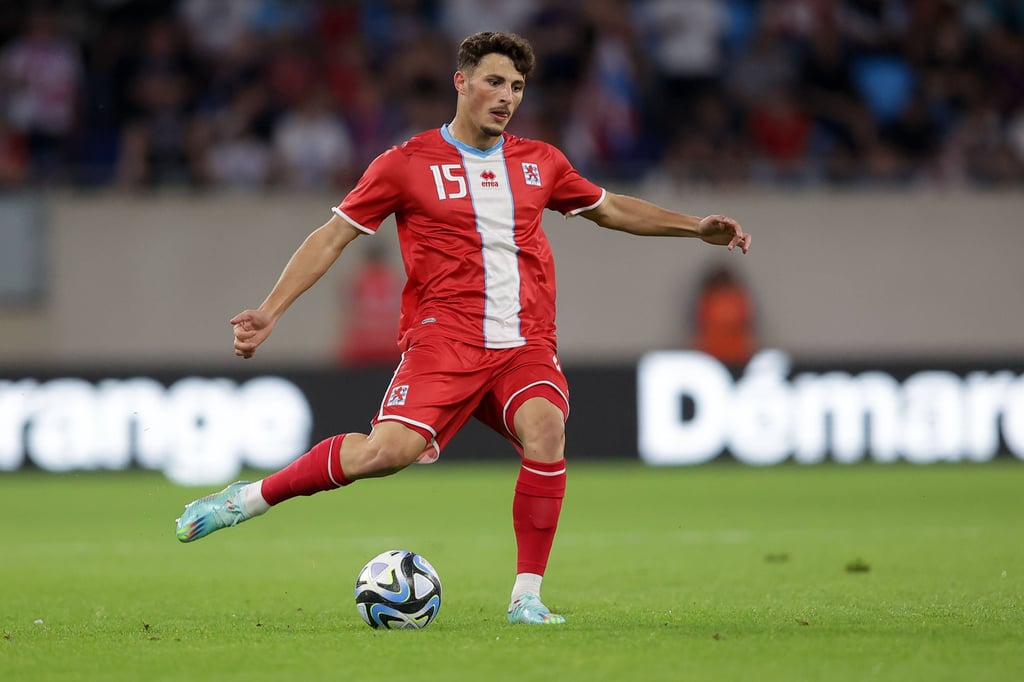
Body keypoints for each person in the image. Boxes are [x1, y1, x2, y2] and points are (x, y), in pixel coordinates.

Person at [175, 31, 751, 626]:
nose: (507, 97)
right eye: (495, 82)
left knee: (546, 431)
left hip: (523, 345)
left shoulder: (541, 163)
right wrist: (271, 310)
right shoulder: (404, 164)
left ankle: (525, 598)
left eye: (518, 87)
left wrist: (694, 226)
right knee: (383, 454)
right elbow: (333, 236)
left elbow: (610, 207)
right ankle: (246, 500)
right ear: (462, 81)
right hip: (443, 343)